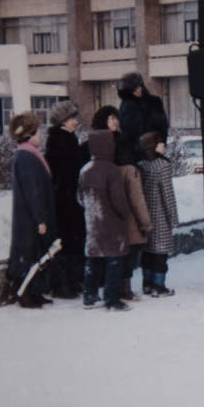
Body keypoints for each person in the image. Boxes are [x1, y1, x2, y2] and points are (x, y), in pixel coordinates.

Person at [92, 105, 152, 301]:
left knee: (127, 249)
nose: (115, 122)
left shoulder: (124, 142)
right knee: (124, 249)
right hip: (116, 205)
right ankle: (118, 288)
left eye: (116, 118)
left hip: (119, 203)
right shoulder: (99, 149)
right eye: (110, 119)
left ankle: (118, 287)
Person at [6, 111, 57, 309]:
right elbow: (33, 190)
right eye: (37, 132)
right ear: (29, 134)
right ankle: (25, 295)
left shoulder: (28, 154)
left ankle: (35, 292)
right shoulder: (27, 157)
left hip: (30, 217)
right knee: (29, 255)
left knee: (36, 254)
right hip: (30, 219)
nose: (40, 135)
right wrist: (40, 219)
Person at [78, 129, 132, 311]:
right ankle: (112, 299)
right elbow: (119, 200)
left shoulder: (85, 170)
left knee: (93, 259)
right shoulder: (111, 170)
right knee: (114, 260)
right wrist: (126, 213)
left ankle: (89, 296)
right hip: (112, 223)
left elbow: (79, 198)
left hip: (92, 223)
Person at [44, 100, 88, 299]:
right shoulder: (61, 140)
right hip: (66, 200)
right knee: (70, 240)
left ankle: (71, 282)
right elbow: (69, 168)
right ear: (63, 120)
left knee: (72, 240)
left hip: (66, 198)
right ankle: (66, 284)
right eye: (72, 118)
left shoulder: (63, 137)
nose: (76, 121)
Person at [138, 131, 179, 296]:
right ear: (153, 147)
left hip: (144, 214)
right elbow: (167, 194)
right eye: (161, 143)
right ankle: (159, 286)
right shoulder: (163, 166)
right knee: (161, 253)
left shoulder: (141, 165)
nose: (164, 146)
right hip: (160, 213)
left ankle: (147, 284)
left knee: (147, 251)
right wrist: (173, 219)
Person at [117, 72, 169, 165]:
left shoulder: (154, 102)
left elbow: (163, 127)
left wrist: (161, 144)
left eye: (140, 86)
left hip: (154, 151)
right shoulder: (127, 106)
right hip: (136, 156)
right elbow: (128, 133)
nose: (139, 89)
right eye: (135, 88)